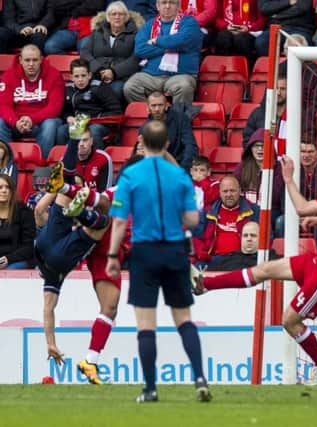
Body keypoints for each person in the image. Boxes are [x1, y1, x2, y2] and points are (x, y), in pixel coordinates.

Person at [193, 153, 317, 386]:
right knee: (264, 269)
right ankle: (206, 284)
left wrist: (288, 179)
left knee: (289, 320)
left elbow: (303, 208)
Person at [105, 120, 211, 403]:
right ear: (167, 145)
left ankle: (150, 389)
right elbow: (192, 219)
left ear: (142, 142)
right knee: (183, 319)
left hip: (144, 252)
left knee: (145, 323)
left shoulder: (130, 175)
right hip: (175, 251)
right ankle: (200, 377)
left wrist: (114, 256)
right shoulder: (180, 177)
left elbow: (118, 221)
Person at [35, 119, 113, 370]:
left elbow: (38, 209)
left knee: (62, 192)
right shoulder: (53, 273)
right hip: (58, 254)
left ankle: (72, 138)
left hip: (45, 242)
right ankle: (79, 211)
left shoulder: (51, 279)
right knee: (103, 224)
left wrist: (51, 342)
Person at [123, 0, 203, 105]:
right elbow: (140, 49)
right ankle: (153, 116)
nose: (167, 6)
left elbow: (182, 40)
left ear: (178, 6)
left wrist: (157, 41)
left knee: (184, 87)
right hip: (151, 75)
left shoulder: (189, 22)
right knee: (130, 87)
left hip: (181, 75)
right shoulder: (149, 25)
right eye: (164, 3)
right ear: (157, 6)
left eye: (172, 3)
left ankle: (178, 119)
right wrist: (168, 48)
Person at [0, 44, 64, 158]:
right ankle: (7, 164)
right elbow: (3, 105)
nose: (31, 64)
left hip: (41, 123)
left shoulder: (54, 75)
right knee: (0, 123)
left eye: (34, 60)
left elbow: (55, 107)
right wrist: (15, 121)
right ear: (20, 60)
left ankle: (41, 168)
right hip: (17, 122)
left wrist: (32, 119)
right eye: (27, 60)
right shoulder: (8, 76)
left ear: (41, 59)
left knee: (50, 124)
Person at [79, 1, 144, 102]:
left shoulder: (136, 35)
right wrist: (98, 69)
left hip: (121, 77)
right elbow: (84, 52)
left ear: (126, 17)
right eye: (114, 14)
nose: (117, 17)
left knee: (115, 91)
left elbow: (136, 59)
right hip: (97, 74)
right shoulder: (98, 32)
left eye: (121, 14)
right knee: (88, 92)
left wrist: (113, 72)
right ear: (108, 17)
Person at [192, 175, 259, 268]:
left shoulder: (254, 211)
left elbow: (267, 236)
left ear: (240, 191)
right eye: (225, 191)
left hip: (243, 259)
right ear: (219, 192)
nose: (229, 195)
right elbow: (196, 236)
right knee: (197, 267)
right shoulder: (208, 212)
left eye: (232, 191)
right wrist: (202, 253)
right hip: (214, 259)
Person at [57, 58, 123, 148]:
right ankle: (66, 160)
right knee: (61, 131)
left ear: (89, 75)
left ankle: (98, 160)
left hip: (99, 124)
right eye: (76, 76)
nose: (80, 79)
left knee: (93, 131)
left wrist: (92, 119)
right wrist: (68, 117)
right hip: (78, 124)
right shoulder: (68, 89)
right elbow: (64, 110)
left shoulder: (100, 87)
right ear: (71, 77)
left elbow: (116, 110)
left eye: (83, 76)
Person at [139, 91, 198, 170]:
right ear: (148, 108)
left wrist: (183, 169)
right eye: (153, 106)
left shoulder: (181, 119)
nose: (157, 109)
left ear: (166, 106)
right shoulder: (144, 128)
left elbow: (190, 146)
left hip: (180, 165)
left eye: (160, 105)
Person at [201, 221, 278, 271]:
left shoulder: (270, 258)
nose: (249, 239)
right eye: (245, 236)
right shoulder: (229, 258)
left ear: (261, 238)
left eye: (253, 235)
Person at [40, 0, 106, 54]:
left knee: (85, 49)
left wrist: (74, 10)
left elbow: (97, 5)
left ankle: (80, 65)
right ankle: (71, 63)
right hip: (68, 29)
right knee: (50, 47)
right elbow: (56, 6)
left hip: (89, 29)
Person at [0, 173, 36, 269]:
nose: (4, 190)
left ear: (12, 191)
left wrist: (8, 259)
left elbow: (29, 247)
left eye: (7, 187)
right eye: (0, 187)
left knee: (10, 269)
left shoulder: (24, 212)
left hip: (17, 260)